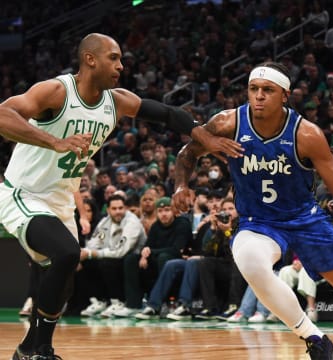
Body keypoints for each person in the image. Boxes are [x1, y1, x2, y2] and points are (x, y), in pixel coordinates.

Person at [0, 33, 242, 360]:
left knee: (65, 276)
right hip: (23, 193)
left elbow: (169, 114)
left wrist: (205, 138)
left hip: (59, 198)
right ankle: (40, 350)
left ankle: (29, 349)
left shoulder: (117, 101)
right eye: (113, 58)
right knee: (68, 253)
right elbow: (3, 115)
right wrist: (54, 142)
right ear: (90, 59)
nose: (121, 65)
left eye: (120, 58)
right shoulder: (57, 91)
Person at [173, 61, 333, 359]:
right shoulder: (227, 123)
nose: (258, 96)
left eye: (267, 90)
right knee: (249, 259)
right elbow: (188, 152)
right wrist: (181, 186)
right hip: (258, 222)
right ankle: (316, 340)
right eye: (253, 89)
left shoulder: (306, 134)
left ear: (285, 95)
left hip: (305, 220)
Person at [77, 194, 146, 318]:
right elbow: (96, 242)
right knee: (87, 261)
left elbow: (121, 250)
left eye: (120, 208)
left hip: (133, 260)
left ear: (125, 208)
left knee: (106, 262)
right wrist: (84, 253)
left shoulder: (132, 222)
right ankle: (100, 300)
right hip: (113, 258)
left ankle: (118, 301)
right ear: (108, 210)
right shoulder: (105, 222)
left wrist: (94, 253)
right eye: (114, 209)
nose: (118, 211)